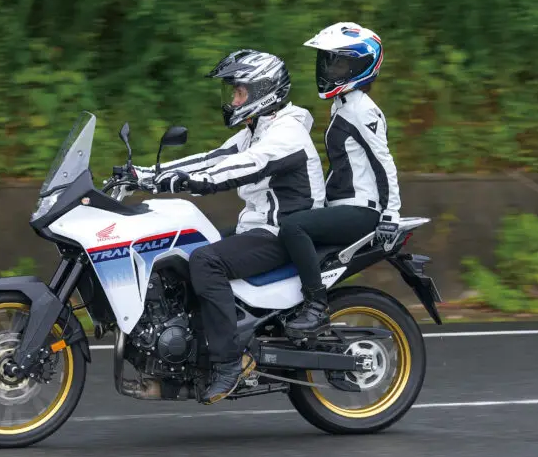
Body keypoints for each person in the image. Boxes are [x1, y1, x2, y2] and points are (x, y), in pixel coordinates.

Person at [134, 49, 326, 404]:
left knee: (206, 261)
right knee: (182, 249)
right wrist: (145, 175)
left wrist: (188, 183)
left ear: (264, 90)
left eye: (239, 92)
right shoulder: (256, 130)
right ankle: (195, 353)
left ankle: (228, 362)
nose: (233, 100)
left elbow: (241, 167)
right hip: (256, 228)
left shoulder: (287, 133)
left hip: (283, 232)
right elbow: (212, 158)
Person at [279, 22, 401, 339]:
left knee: (294, 227)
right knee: (285, 221)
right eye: (328, 61)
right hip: (344, 205)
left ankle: (316, 306)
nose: (330, 69)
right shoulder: (343, 105)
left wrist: (391, 215)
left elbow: (383, 161)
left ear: (362, 65)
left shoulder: (362, 109)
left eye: (340, 62)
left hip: (363, 211)